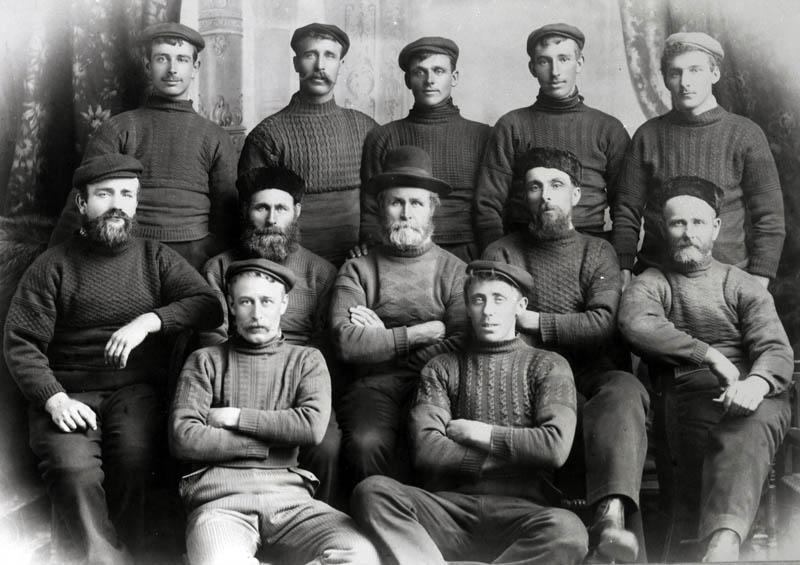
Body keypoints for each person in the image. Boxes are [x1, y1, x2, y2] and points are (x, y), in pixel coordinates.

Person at [3, 154, 222, 564]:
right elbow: (21, 343)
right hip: (67, 394)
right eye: (104, 194)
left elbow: (208, 306)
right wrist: (54, 398)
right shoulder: (52, 266)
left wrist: (150, 321)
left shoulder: (154, 258)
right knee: (73, 471)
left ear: (137, 204)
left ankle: (131, 553)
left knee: (138, 459)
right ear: (82, 205)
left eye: (126, 194)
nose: (117, 203)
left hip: (133, 392)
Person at [351, 260, 588, 565]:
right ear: (467, 306)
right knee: (372, 493)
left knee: (569, 532)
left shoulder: (548, 365)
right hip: (447, 513)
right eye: (479, 300)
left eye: (499, 299)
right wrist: (519, 453)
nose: (488, 310)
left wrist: (479, 432)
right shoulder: (442, 366)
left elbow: (553, 447)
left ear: (520, 305)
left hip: (521, 515)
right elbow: (427, 449)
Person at [482, 147, 647, 562]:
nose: (546, 196)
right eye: (535, 186)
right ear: (523, 196)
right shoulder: (502, 252)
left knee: (625, 390)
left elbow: (601, 325)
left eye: (556, 185)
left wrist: (531, 320)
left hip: (594, 370)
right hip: (528, 375)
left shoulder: (597, 251)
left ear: (576, 193)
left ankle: (611, 519)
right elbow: (494, 326)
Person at [618, 176, 792, 562]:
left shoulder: (742, 284)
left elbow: (775, 349)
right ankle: (721, 543)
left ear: (715, 228)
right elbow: (636, 325)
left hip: (756, 390)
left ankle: (723, 544)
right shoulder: (652, 284)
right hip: (685, 394)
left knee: (749, 422)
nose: (687, 233)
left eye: (698, 224)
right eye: (678, 224)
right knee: (712, 428)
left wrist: (756, 384)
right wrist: (709, 356)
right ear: (664, 229)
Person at [169, 259, 379, 565]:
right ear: (230, 305)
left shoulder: (307, 360)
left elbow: (310, 427)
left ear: (283, 304)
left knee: (361, 554)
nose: (256, 313)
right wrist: (266, 443)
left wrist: (236, 417)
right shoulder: (205, 361)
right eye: (245, 302)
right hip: (220, 502)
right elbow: (184, 437)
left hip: (291, 501)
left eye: (266, 301)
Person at [200, 165, 342, 507]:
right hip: (235, 377)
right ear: (247, 212)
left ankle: (311, 518)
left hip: (298, 385)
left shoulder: (320, 272)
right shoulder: (218, 268)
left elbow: (324, 346)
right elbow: (211, 339)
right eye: (261, 208)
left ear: (296, 212)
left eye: (281, 209)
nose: (271, 219)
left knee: (326, 445)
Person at [48, 22, 238, 270]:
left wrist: (206, 258)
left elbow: (227, 215)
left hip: (195, 258)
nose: (172, 69)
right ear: (148, 66)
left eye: (181, 59)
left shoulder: (215, 136)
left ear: (195, 67)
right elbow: (81, 198)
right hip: (126, 251)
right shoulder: (119, 128)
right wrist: (51, 263)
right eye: (162, 59)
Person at [330, 145, 468, 483]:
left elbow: (464, 340)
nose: (406, 213)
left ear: (432, 209)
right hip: (373, 387)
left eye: (416, 203)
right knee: (365, 444)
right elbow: (348, 345)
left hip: (440, 385)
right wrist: (423, 332)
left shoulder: (454, 270)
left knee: (439, 448)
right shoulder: (357, 270)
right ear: (381, 208)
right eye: (396, 202)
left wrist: (382, 342)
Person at [612, 32, 785, 289]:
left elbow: (769, 218)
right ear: (666, 79)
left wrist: (759, 280)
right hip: (658, 280)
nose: (685, 82)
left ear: (714, 74)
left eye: (695, 70)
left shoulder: (746, 134)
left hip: (727, 280)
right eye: (675, 73)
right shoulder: (647, 135)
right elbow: (626, 212)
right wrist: (624, 268)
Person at [474, 23, 629, 251]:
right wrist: (498, 257)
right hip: (523, 246)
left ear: (580, 63)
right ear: (532, 68)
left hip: (589, 245)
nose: (555, 72)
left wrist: (622, 258)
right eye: (544, 61)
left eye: (564, 59)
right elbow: (488, 204)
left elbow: (625, 206)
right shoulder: (512, 125)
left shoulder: (608, 129)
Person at [238, 23, 377, 266]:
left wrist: (371, 241)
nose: (320, 66)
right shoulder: (268, 134)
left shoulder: (366, 128)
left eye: (330, 56)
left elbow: (380, 199)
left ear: (341, 65)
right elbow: (254, 213)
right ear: (295, 63)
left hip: (358, 261)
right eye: (310, 55)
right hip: (293, 263)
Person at [357, 36, 491, 262]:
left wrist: (489, 256)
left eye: (439, 71)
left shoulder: (483, 136)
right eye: (420, 72)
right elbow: (372, 207)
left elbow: (489, 207)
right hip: (400, 249)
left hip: (467, 251)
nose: (430, 80)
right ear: (408, 80)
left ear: (454, 77)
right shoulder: (383, 137)